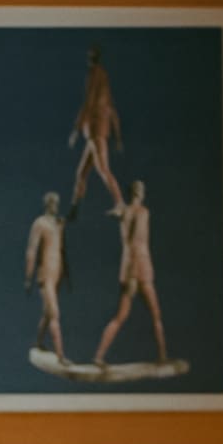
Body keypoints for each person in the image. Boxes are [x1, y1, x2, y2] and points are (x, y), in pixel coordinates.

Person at [94, 179, 170, 367]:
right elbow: (138, 240)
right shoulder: (143, 212)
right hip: (141, 266)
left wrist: (119, 214)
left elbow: (123, 224)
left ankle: (98, 356)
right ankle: (162, 356)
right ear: (140, 193)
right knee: (155, 314)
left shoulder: (124, 212)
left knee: (120, 317)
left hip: (127, 267)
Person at [68, 46, 125, 218]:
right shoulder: (104, 81)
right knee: (81, 172)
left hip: (95, 131)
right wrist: (117, 137)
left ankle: (120, 202)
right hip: (96, 132)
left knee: (102, 169)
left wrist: (76, 130)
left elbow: (89, 102)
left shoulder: (95, 74)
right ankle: (74, 207)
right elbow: (112, 111)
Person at [24, 191, 69, 361]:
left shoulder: (58, 223)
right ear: (47, 203)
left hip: (56, 273)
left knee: (47, 313)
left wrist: (66, 274)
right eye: (53, 202)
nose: (56, 205)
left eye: (57, 202)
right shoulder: (40, 223)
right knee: (54, 313)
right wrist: (28, 277)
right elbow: (31, 251)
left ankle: (38, 342)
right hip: (46, 275)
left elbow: (62, 251)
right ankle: (60, 355)